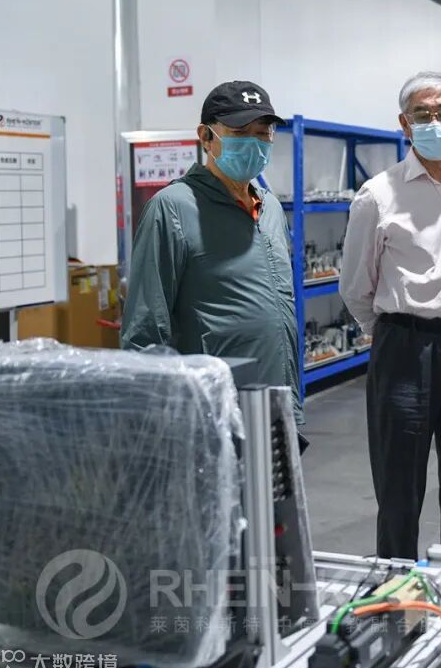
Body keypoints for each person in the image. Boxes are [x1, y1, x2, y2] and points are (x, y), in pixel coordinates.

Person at [340, 71, 441, 559]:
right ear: (404, 124)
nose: (434, 123)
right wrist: (395, 333)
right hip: (405, 351)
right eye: (421, 115)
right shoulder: (378, 195)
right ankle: (398, 588)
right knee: (399, 486)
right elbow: (355, 286)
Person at [121, 81, 305, 431]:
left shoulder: (270, 207)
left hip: (278, 399)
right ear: (206, 137)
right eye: (240, 132)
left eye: (262, 133)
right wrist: (158, 421)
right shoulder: (172, 208)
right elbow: (145, 331)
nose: (254, 143)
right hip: (213, 412)